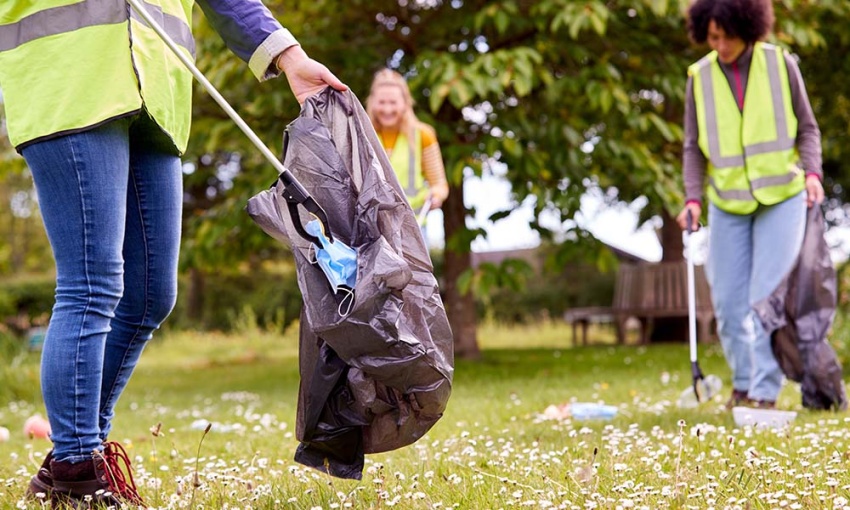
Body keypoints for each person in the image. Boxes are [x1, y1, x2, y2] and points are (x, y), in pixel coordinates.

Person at [0, 0, 346, 506]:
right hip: (68, 80)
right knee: (92, 284)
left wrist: (288, 56)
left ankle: (68, 461)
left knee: (150, 295)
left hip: (157, 92)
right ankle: (77, 467)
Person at [676, 0, 825, 410]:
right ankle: (741, 382)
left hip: (781, 197)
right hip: (727, 201)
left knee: (764, 297)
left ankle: (763, 392)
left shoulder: (781, 65)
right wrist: (692, 197)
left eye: (725, 35)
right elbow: (693, 147)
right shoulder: (699, 78)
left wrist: (812, 173)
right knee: (726, 300)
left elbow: (808, 129)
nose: (719, 44)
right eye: (711, 37)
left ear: (747, 26)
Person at [365, 69, 449, 224]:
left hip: (412, 226)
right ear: (372, 102)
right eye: (382, 102)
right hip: (372, 228)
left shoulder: (423, 135)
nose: (387, 109)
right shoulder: (363, 136)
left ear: (405, 103)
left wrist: (436, 194)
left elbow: (439, 184)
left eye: (393, 103)